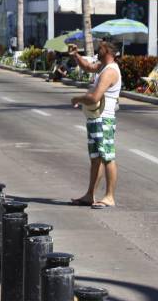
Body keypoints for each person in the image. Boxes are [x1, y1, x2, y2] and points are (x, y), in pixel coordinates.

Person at [69, 41, 122, 209]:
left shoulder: (110, 71)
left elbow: (94, 97)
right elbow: (88, 67)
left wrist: (78, 99)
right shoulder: (103, 66)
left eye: (101, 48)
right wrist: (76, 56)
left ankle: (109, 197)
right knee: (96, 159)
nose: (98, 50)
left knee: (107, 157)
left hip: (103, 119)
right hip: (95, 119)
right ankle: (89, 195)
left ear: (109, 51)